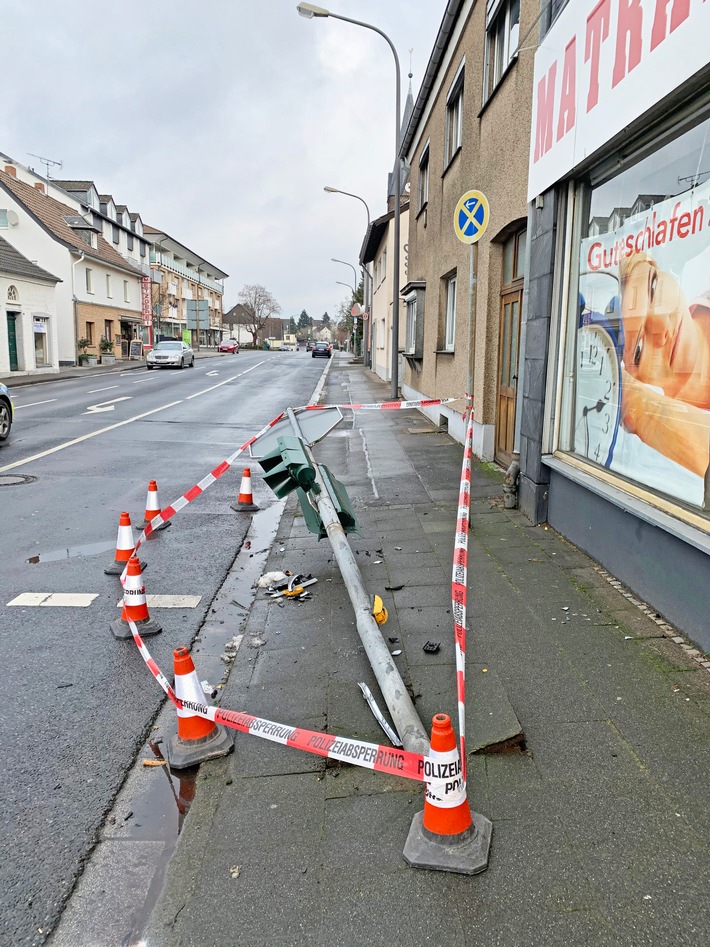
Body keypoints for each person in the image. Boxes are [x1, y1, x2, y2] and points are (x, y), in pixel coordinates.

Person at [618, 251, 710, 486]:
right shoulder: (651, 449)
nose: (661, 324)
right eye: (638, 348)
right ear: (632, 379)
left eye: (653, 286)